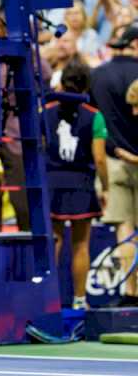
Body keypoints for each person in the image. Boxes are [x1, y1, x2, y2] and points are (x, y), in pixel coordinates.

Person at [45, 64, 109, 310]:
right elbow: (100, 158)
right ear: (87, 86)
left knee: (55, 241)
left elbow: (38, 147)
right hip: (81, 184)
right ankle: (80, 301)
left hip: (51, 183)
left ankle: (47, 300)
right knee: (80, 245)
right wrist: (105, 188)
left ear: (62, 83)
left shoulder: (45, 112)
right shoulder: (95, 116)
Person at [92, 26, 138, 297]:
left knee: (124, 227)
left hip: (115, 160)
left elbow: (95, 120)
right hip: (126, 158)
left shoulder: (98, 75)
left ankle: (130, 292)